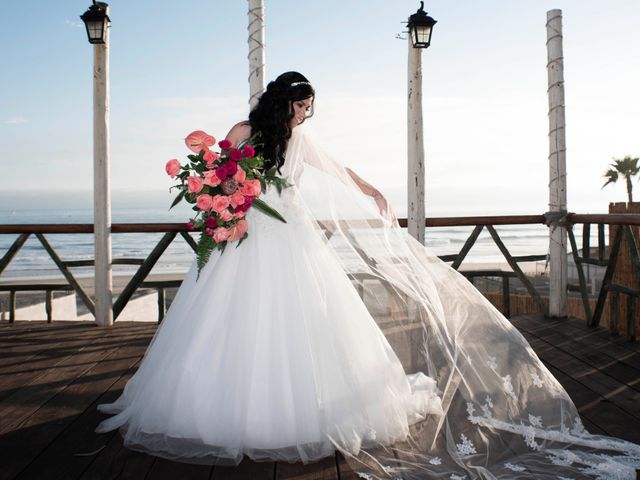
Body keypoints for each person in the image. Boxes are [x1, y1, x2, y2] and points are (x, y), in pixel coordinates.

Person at [97, 72, 640, 479]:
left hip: (279, 231)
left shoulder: (290, 137)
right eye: (302, 107)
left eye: (307, 110)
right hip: (248, 229)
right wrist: (219, 199)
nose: (305, 116)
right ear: (286, 101)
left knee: (290, 317)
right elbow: (221, 171)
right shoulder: (252, 130)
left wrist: (371, 190)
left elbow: (337, 169)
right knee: (244, 316)